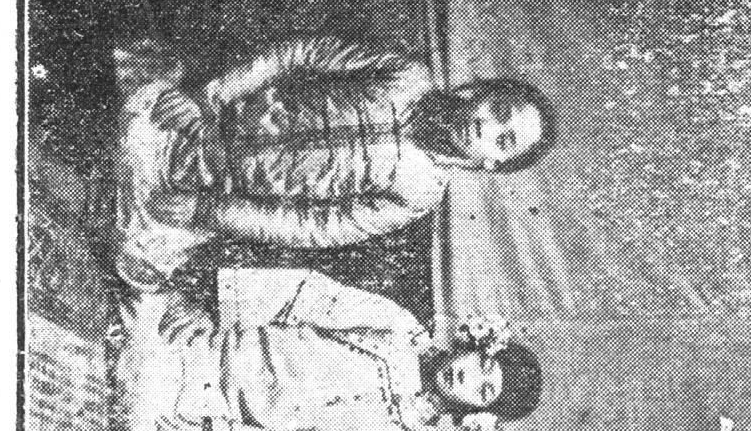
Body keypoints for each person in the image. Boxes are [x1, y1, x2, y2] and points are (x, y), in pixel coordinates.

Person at [112, 32, 557, 290]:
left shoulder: (418, 192)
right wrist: (209, 98)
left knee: (134, 255)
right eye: (498, 110)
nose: (486, 127)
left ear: (490, 164)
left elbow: (312, 227)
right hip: (197, 121)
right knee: (131, 108)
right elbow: (296, 56)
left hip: (206, 193)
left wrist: (208, 210)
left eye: (504, 141)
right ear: (479, 92)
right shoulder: (407, 77)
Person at [110, 267, 542, 431]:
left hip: (197, 409)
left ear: (478, 412)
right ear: (475, 347)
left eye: (484, 390)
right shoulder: (397, 328)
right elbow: (305, 296)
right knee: (138, 315)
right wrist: (211, 313)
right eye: (482, 365)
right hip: (202, 339)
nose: (468, 378)